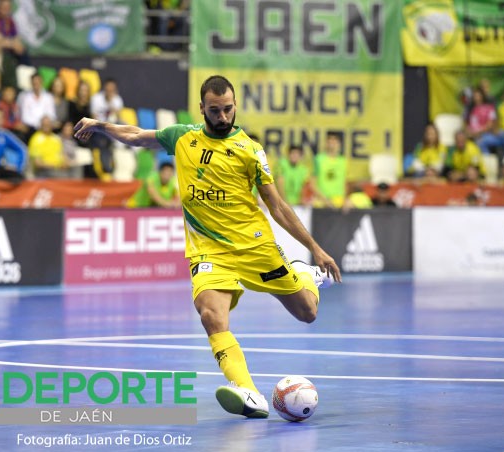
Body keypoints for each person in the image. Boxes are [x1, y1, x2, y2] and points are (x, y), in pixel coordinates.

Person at [74, 75, 341, 419]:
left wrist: (314, 249)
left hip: (254, 246)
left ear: (234, 106)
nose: (222, 116)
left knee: (307, 312)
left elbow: (277, 206)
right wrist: (100, 125)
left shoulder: (249, 149)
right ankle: (249, 392)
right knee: (211, 316)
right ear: (202, 108)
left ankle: (303, 275)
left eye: (228, 109)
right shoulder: (183, 137)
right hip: (209, 251)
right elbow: (137, 136)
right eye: (214, 110)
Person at [311, 131, 346, 207]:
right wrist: (325, 200)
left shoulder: (343, 161)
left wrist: (344, 199)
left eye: (334, 142)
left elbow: (345, 183)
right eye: (330, 142)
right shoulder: (318, 159)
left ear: (339, 144)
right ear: (326, 143)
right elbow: (312, 184)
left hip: (339, 200)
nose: (332, 145)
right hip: (321, 201)